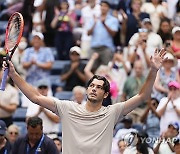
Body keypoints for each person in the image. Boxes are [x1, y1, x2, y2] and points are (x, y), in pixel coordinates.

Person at [3, 48, 166, 153]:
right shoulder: (68, 108)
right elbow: (35, 97)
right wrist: (14, 74)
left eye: (99, 87)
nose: (94, 88)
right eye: (92, 85)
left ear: (106, 94)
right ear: (87, 89)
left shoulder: (112, 112)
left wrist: (153, 70)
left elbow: (143, 96)